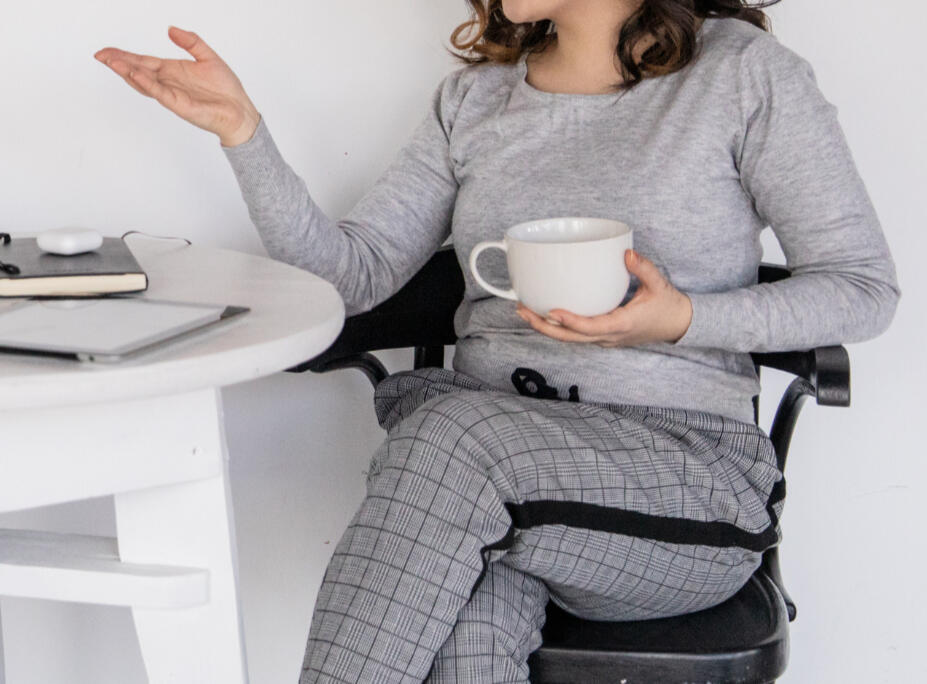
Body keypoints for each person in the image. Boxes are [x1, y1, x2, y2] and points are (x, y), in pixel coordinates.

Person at [96, 1, 900, 681]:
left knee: (451, 435)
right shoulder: (474, 102)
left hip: (684, 483)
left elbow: (862, 290)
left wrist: (682, 318)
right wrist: (244, 135)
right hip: (482, 495)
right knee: (464, 639)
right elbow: (352, 279)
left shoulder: (742, 74)